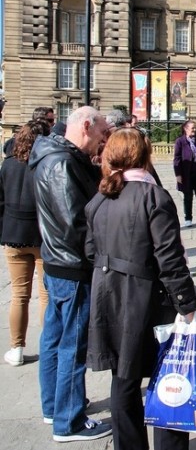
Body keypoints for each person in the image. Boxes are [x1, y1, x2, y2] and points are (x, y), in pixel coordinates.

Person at [86, 129, 196, 450]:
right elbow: (170, 259)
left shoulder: (98, 199)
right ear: (144, 156)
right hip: (150, 301)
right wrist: (187, 304)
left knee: (123, 379)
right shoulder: (154, 196)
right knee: (169, 380)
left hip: (109, 298)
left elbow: (90, 252)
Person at [28, 106, 112, 442]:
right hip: (71, 266)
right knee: (72, 346)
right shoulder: (61, 163)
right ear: (87, 126)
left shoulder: (57, 157)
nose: (103, 141)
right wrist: (100, 256)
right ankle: (69, 421)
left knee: (54, 338)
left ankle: (53, 407)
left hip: (57, 263)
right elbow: (75, 224)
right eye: (102, 134)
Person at [1, 120, 50, 366]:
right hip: (41, 236)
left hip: (14, 235)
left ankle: (16, 348)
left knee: (19, 295)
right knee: (45, 296)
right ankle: (46, 346)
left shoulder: (7, 165)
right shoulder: (44, 164)